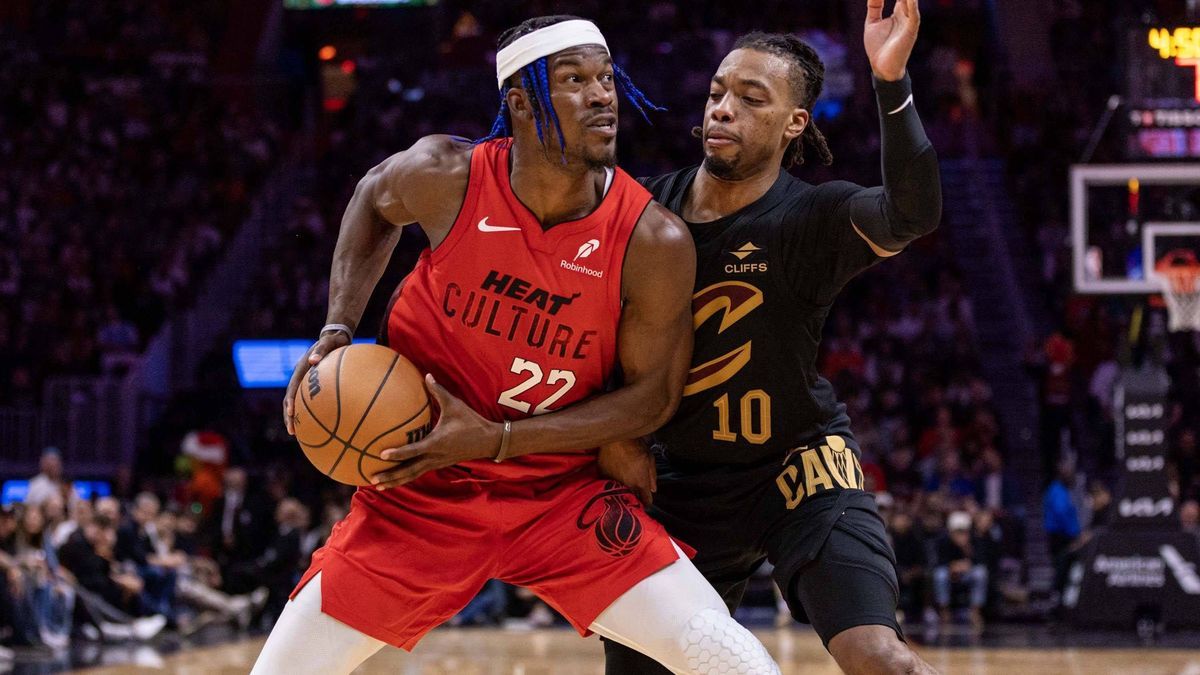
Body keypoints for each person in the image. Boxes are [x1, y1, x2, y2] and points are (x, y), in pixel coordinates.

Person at [254, 15, 780, 675]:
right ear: (522, 103)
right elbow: (370, 199)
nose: (601, 95)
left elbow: (651, 398)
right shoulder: (445, 176)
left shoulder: (653, 240)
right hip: (420, 492)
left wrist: (498, 438)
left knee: (737, 662)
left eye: (604, 78)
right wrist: (336, 327)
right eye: (574, 80)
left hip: (561, 493)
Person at [601, 1, 941, 673]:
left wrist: (890, 80)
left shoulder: (810, 216)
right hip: (675, 484)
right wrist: (616, 441)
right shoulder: (639, 212)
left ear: (795, 124)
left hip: (797, 468)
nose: (723, 108)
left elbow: (912, 212)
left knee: (880, 656)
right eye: (717, 92)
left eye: (751, 99)